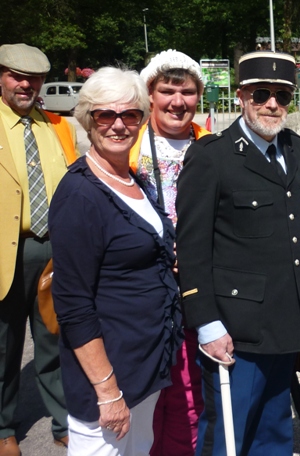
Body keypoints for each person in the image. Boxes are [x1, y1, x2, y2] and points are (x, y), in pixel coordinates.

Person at [176, 52, 300, 456]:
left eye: (282, 96)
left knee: (273, 435)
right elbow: (193, 247)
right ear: (241, 96)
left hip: (285, 323)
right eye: (261, 94)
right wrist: (207, 324)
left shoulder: (295, 148)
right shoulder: (211, 156)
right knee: (228, 438)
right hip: (235, 331)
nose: (272, 104)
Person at [49, 67, 182, 454]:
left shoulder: (133, 180)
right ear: (87, 119)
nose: (119, 125)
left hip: (144, 366)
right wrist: (107, 391)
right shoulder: (80, 195)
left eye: (130, 114)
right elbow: (72, 304)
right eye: (106, 114)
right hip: (109, 378)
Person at [131, 50, 209, 456]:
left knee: (188, 391)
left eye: (188, 92)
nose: (177, 102)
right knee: (144, 392)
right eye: (167, 91)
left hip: (195, 285)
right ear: (150, 94)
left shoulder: (211, 146)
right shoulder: (127, 143)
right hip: (144, 286)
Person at [0, 44, 73, 455]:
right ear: (1, 76)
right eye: (16, 76)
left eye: (35, 78)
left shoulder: (57, 126)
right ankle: (3, 428)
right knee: (4, 345)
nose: (26, 84)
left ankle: (64, 420)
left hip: (54, 250)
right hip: (6, 251)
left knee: (54, 339)